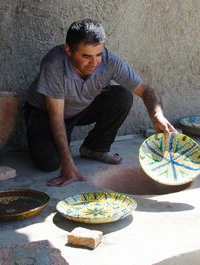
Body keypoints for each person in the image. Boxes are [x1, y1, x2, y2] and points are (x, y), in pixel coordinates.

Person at [25, 19, 176, 187]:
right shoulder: (54, 63)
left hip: (81, 107)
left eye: (98, 54)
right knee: (50, 164)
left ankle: (95, 148)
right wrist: (68, 164)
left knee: (122, 96)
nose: (95, 63)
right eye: (86, 56)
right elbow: (56, 117)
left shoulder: (109, 60)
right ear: (68, 49)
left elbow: (146, 90)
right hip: (46, 113)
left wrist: (157, 116)